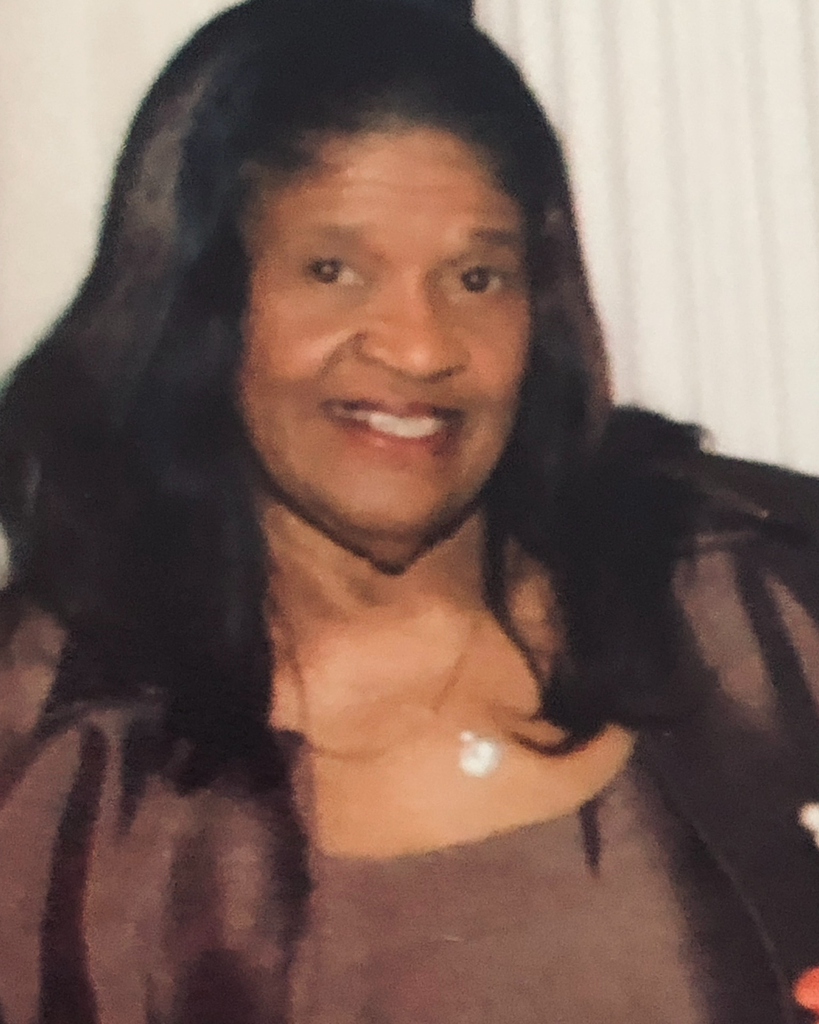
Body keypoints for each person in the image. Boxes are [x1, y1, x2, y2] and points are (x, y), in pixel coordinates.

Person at [1, 0, 819, 1021]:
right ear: (202, 303)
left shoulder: (763, 600)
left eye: (477, 277)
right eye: (333, 271)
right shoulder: (52, 766)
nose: (420, 346)